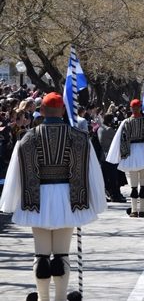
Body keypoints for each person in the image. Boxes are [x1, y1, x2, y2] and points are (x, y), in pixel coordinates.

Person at [0, 92, 107, 301]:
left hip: (36, 200)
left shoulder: (27, 138)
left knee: (41, 255)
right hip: (69, 199)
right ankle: (59, 297)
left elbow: (15, 173)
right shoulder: (80, 137)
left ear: (42, 111)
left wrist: (10, 202)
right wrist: (96, 201)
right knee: (61, 254)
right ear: (63, 110)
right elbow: (92, 171)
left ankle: (42, 298)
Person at [106, 99, 144, 218]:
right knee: (142, 183)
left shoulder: (126, 122)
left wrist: (123, 154)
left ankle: (134, 210)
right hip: (143, 153)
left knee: (134, 184)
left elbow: (122, 139)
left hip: (132, 154)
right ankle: (142, 209)